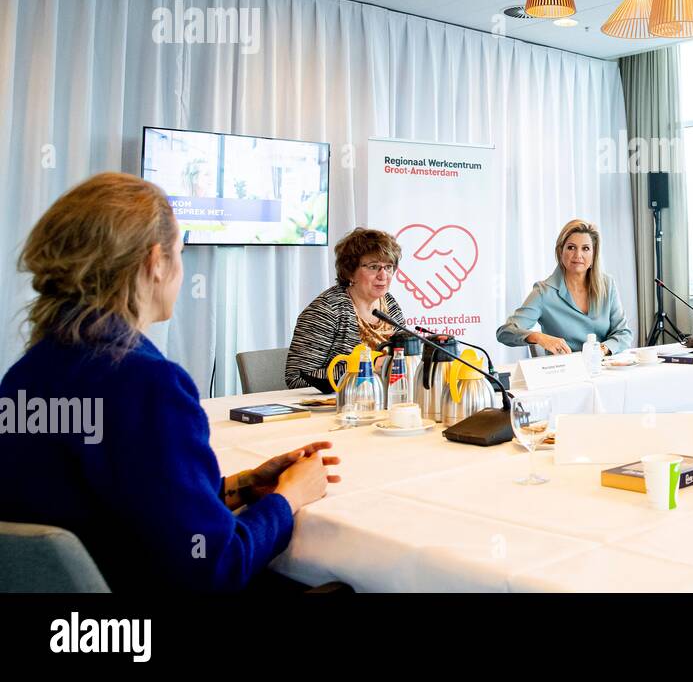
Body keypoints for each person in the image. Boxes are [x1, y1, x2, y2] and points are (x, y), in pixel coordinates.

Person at [0, 172, 339, 592]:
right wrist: (288, 499)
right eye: (181, 253)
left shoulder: (27, 372)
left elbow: (117, 502)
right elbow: (212, 567)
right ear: (154, 262)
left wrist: (242, 485)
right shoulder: (147, 383)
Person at [286, 228, 406, 392]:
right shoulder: (327, 309)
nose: (383, 275)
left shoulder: (390, 305)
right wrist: (366, 366)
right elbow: (297, 378)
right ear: (350, 272)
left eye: (388, 267)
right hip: (339, 407)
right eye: (373, 267)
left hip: (383, 399)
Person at [497, 219, 632, 356]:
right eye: (571, 247)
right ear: (561, 251)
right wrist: (538, 337)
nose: (578, 255)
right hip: (564, 373)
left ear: (593, 254)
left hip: (604, 369)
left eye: (585, 248)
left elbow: (623, 333)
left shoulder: (607, 285)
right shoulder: (544, 292)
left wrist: (601, 350)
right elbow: (505, 332)